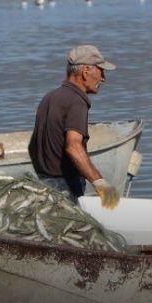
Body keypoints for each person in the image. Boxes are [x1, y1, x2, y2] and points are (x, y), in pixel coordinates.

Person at [29, 44, 122, 208]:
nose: (103, 78)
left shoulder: (50, 97)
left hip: (45, 186)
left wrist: (46, 177)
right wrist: (100, 183)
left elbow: (32, 147)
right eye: (101, 71)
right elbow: (73, 146)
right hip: (65, 188)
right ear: (86, 71)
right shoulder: (76, 101)